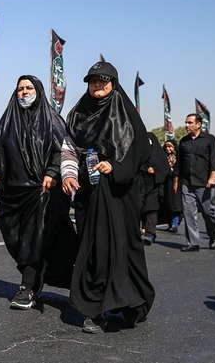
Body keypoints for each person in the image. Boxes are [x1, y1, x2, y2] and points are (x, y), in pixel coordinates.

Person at [61, 61, 154, 333]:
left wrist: (114, 165)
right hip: (89, 193)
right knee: (95, 249)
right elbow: (69, 148)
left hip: (120, 193)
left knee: (124, 247)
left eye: (103, 80)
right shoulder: (78, 113)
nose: (97, 85)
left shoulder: (124, 111)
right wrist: (68, 175)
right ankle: (97, 309)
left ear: (113, 84)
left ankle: (131, 303)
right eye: (93, 80)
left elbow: (139, 148)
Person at [0, 75, 77, 310]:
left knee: (33, 239)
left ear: (38, 91)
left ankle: (27, 286)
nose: (24, 92)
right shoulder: (8, 120)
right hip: (12, 192)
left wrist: (52, 173)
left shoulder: (51, 119)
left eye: (29, 88)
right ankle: (36, 276)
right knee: (16, 239)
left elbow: (62, 149)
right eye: (20, 89)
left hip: (42, 191)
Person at [173, 114, 215, 252]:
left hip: (204, 183)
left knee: (208, 212)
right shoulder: (184, 141)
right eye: (186, 122)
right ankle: (193, 243)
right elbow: (179, 162)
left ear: (198, 124)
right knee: (189, 213)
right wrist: (176, 180)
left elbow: (214, 159)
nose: (186, 125)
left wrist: (213, 176)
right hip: (187, 183)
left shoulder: (210, 139)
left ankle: (213, 235)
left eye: (190, 123)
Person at [138, 132, 170, 245]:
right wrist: (144, 169)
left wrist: (155, 171)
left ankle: (150, 234)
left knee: (151, 209)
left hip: (154, 187)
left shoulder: (159, 155)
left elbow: (164, 170)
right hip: (141, 186)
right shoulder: (140, 154)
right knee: (139, 208)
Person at [162, 140, 181, 233]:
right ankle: (170, 223)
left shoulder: (178, 157)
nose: (168, 149)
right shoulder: (163, 157)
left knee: (175, 204)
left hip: (176, 182)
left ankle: (174, 224)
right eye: (166, 147)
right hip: (166, 182)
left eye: (170, 147)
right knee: (168, 204)